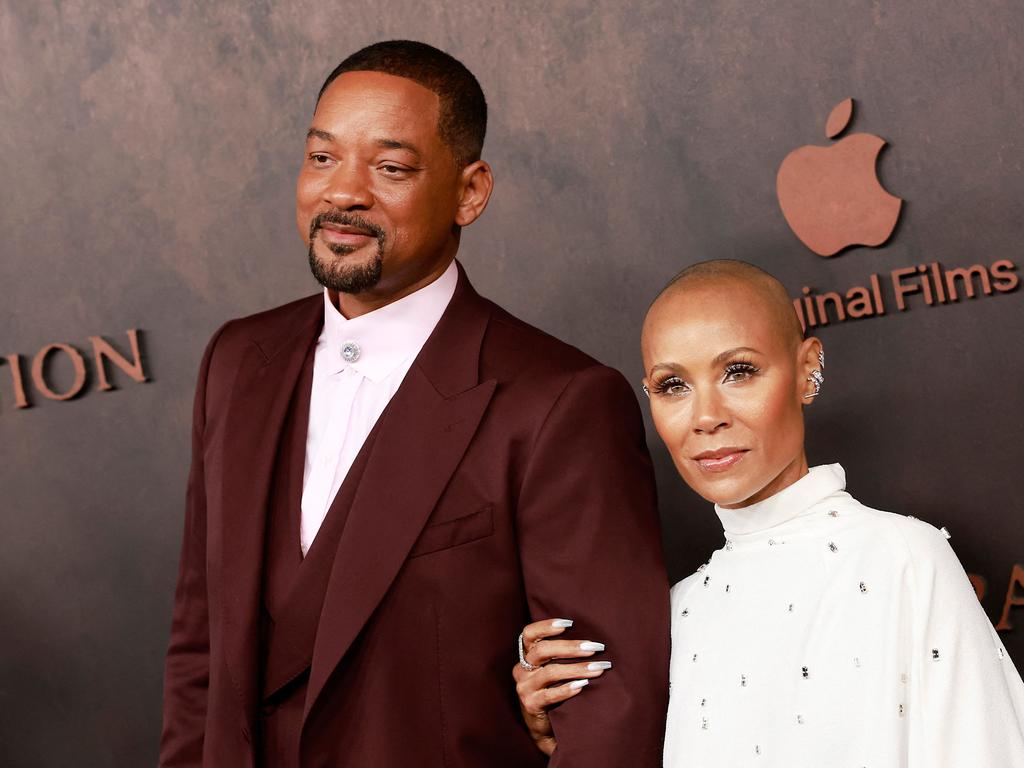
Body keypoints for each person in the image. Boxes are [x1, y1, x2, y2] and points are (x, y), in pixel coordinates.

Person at [158, 40, 671, 768]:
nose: (343, 192)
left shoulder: (561, 401)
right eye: (322, 158)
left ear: (470, 191)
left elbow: (608, 716)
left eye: (390, 167)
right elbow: (199, 650)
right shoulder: (237, 361)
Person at [513, 259, 1024, 766]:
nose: (707, 417)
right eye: (673, 386)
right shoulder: (677, 612)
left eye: (738, 372)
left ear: (807, 371)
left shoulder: (904, 558)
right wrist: (566, 724)